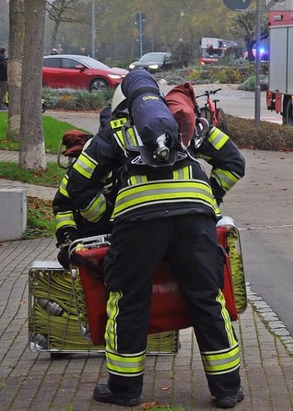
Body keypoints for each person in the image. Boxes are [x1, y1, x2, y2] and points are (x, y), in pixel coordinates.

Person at [54, 69, 246, 408]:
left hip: (139, 222)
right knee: (207, 298)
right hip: (194, 219)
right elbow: (233, 162)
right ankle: (227, 389)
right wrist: (206, 198)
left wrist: (106, 217)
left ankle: (125, 390)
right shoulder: (186, 124)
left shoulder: (115, 132)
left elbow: (78, 184)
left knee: (129, 300)